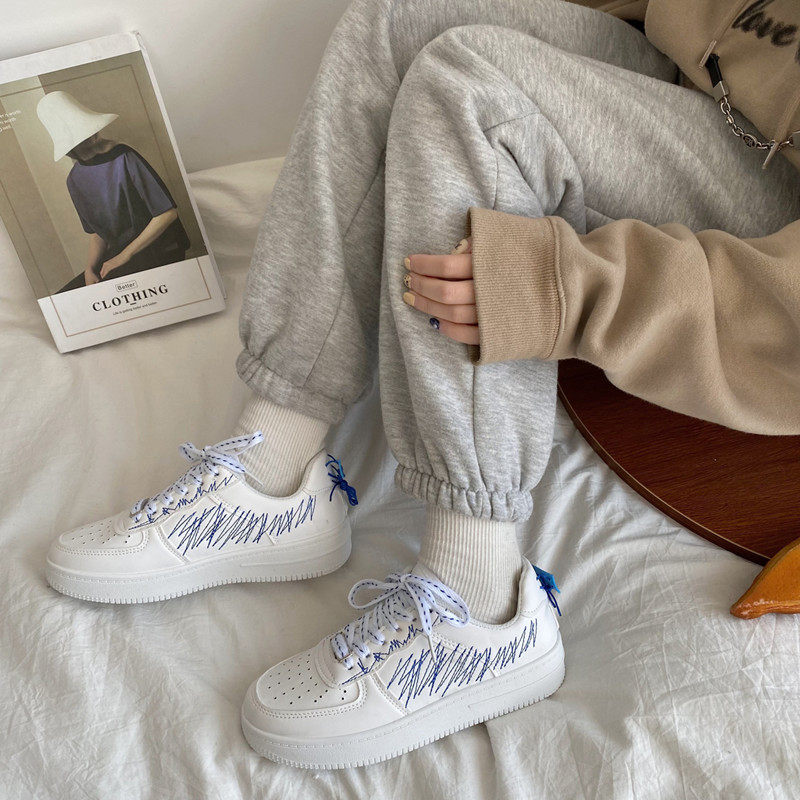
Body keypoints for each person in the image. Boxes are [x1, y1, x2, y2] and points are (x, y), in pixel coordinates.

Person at [44, 0, 800, 769]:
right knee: (397, 22)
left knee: (467, 89)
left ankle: (481, 596)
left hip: (779, 197)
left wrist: (573, 289)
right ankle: (273, 462)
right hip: (705, 80)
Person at [35, 91, 190, 293]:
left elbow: (167, 214)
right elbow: (98, 233)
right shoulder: (74, 180)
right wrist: (90, 269)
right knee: (67, 295)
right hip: (120, 256)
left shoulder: (124, 156)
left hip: (161, 249)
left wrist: (123, 256)